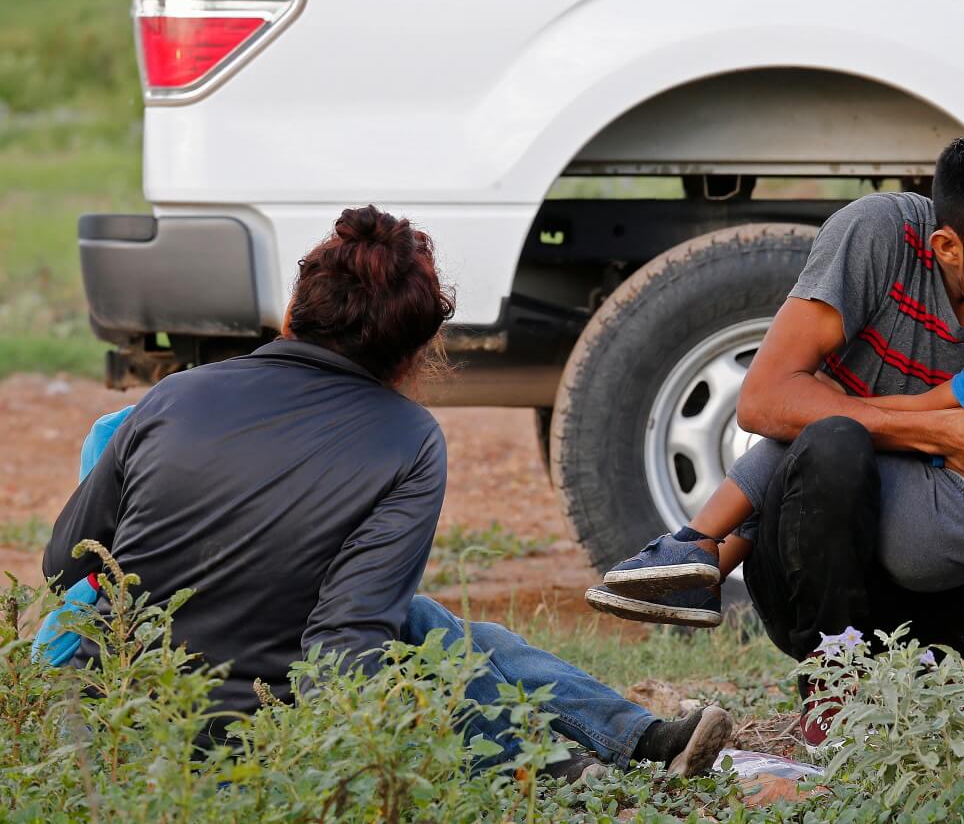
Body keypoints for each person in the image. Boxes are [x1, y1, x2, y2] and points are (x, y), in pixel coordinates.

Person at [42, 205, 731, 781]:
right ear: (412, 356)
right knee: (422, 632)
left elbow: (64, 567)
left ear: (293, 311)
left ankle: (621, 745)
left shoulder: (170, 399)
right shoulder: (408, 439)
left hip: (124, 720)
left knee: (423, 621)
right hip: (260, 742)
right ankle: (569, 766)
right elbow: (346, 647)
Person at [589, 123, 964, 736]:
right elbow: (762, 402)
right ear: (947, 247)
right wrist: (942, 433)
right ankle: (836, 679)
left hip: (963, 556)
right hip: (829, 567)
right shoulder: (878, 235)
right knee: (833, 441)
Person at [588, 265, 964, 620]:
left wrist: (831, 402)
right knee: (819, 439)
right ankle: (703, 568)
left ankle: (694, 546)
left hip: (942, 526)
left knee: (811, 437)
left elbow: (914, 411)